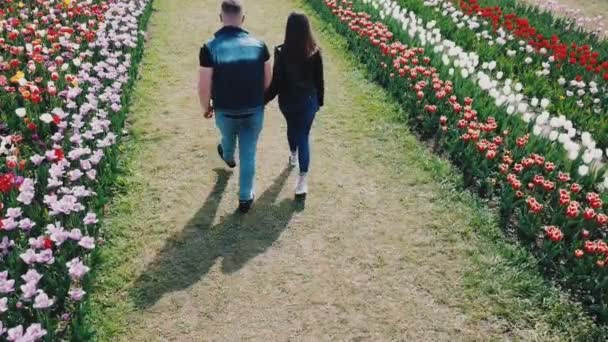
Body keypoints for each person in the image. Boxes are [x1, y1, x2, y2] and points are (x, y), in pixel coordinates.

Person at [198, 0, 272, 213]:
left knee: (228, 139)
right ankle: (245, 197)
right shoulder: (259, 45)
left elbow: (204, 85)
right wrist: (261, 102)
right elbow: (269, 80)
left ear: (221, 18)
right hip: (253, 108)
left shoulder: (209, 47)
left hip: (225, 110)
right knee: (249, 152)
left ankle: (228, 157)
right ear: (243, 18)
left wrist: (206, 107)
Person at [265, 13, 324, 198]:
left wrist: (263, 99)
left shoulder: (281, 52)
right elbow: (319, 81)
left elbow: (276, 83)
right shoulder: (314, 51)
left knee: (293, 130)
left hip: (288, 102)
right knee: (303, 136)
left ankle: (293, 155)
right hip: (308, 102)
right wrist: (319, 102)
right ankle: (302, 182)